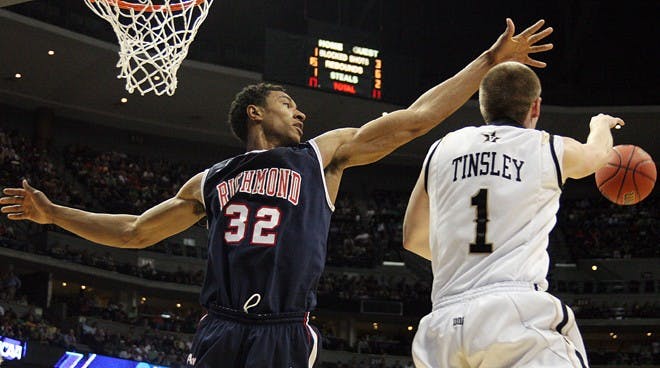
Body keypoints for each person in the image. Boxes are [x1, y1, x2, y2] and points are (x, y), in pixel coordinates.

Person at [1, 19, 553, 368]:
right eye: (288, 103)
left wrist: (486, 61)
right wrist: (53, 215)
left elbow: (412, 121)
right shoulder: (212, 179)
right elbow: (134, 230)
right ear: (255, 113)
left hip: (284, 329)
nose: (301, 111)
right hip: (219, 326)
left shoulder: (322, 155)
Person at [402, 61, 624, 367]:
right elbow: (598, 155)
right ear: (536, 107)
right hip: (513, 315)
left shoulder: (441, 148)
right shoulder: (544, 146)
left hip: (442, 326)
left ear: (483, 105)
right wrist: (600, 125)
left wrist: (470, 261)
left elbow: (412, 236)